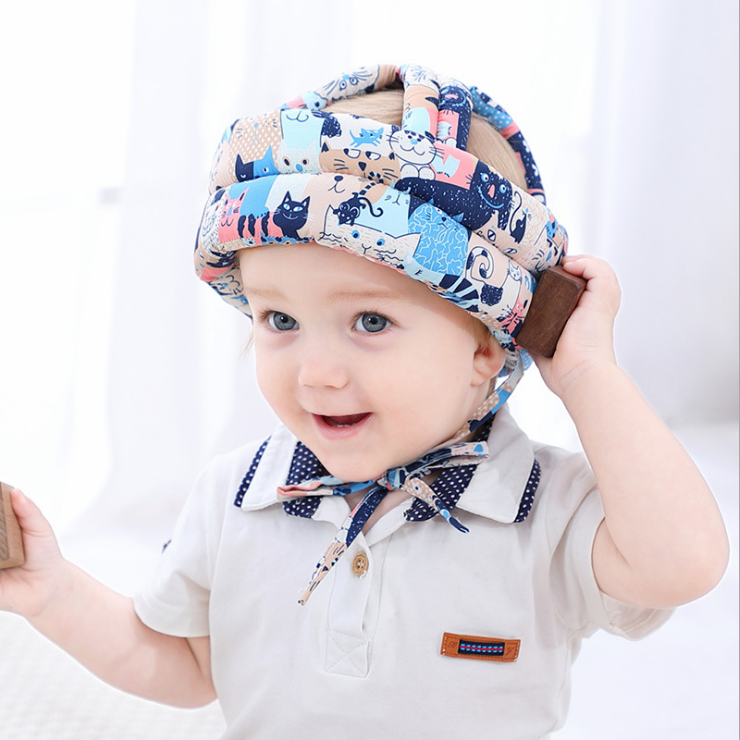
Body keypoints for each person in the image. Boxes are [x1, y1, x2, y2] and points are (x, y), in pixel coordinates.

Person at [0, 64, 729, 738]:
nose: (316, 373)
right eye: (279, 320)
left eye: (371, 322)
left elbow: (684, 562)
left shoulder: (545, 509)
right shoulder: (236, 496)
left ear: (487, 343)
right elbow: (189, 666)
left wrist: (587, 373)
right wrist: (54, 591)